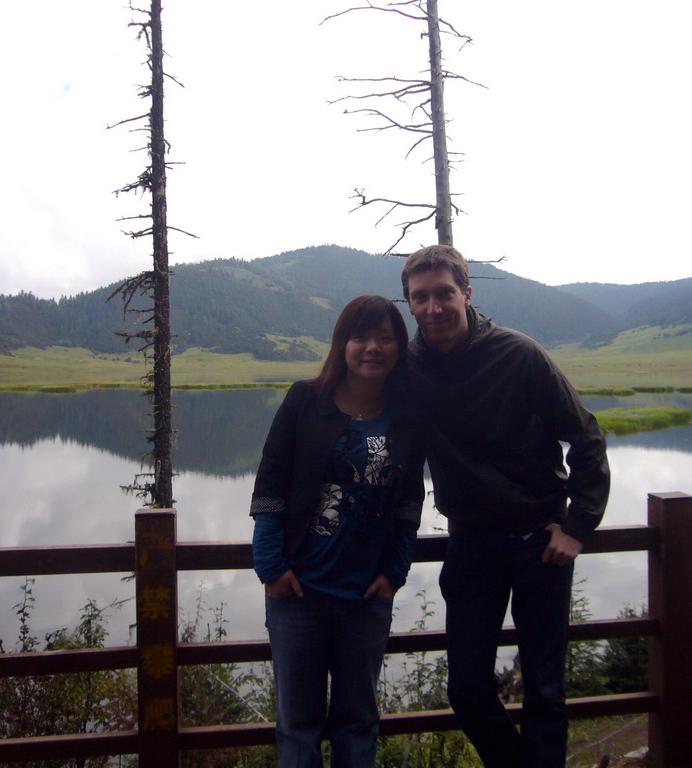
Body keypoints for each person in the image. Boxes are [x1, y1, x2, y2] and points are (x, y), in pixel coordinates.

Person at [400, 245, 610, 768]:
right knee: (467, 690)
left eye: (443, 293)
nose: (433, 307)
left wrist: (578, 524)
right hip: (472, 542)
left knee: (545, 689)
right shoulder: (408, 368)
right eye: (420, 297)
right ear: (408, 304)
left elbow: (586, 438)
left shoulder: (520, 355)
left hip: (541, 542)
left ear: (466, 294)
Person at [250, 294, 424, 768]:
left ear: (399, 346)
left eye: (386, 338)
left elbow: (410, 500)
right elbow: (270, 486)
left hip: (366, 596)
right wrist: (270, 566)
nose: (373, 347)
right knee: (298, 725)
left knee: (358, 722)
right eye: (361, 336)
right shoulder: (305, 400)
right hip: (298, 592)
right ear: (342, 344)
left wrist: (396, 571)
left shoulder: (407, 415)